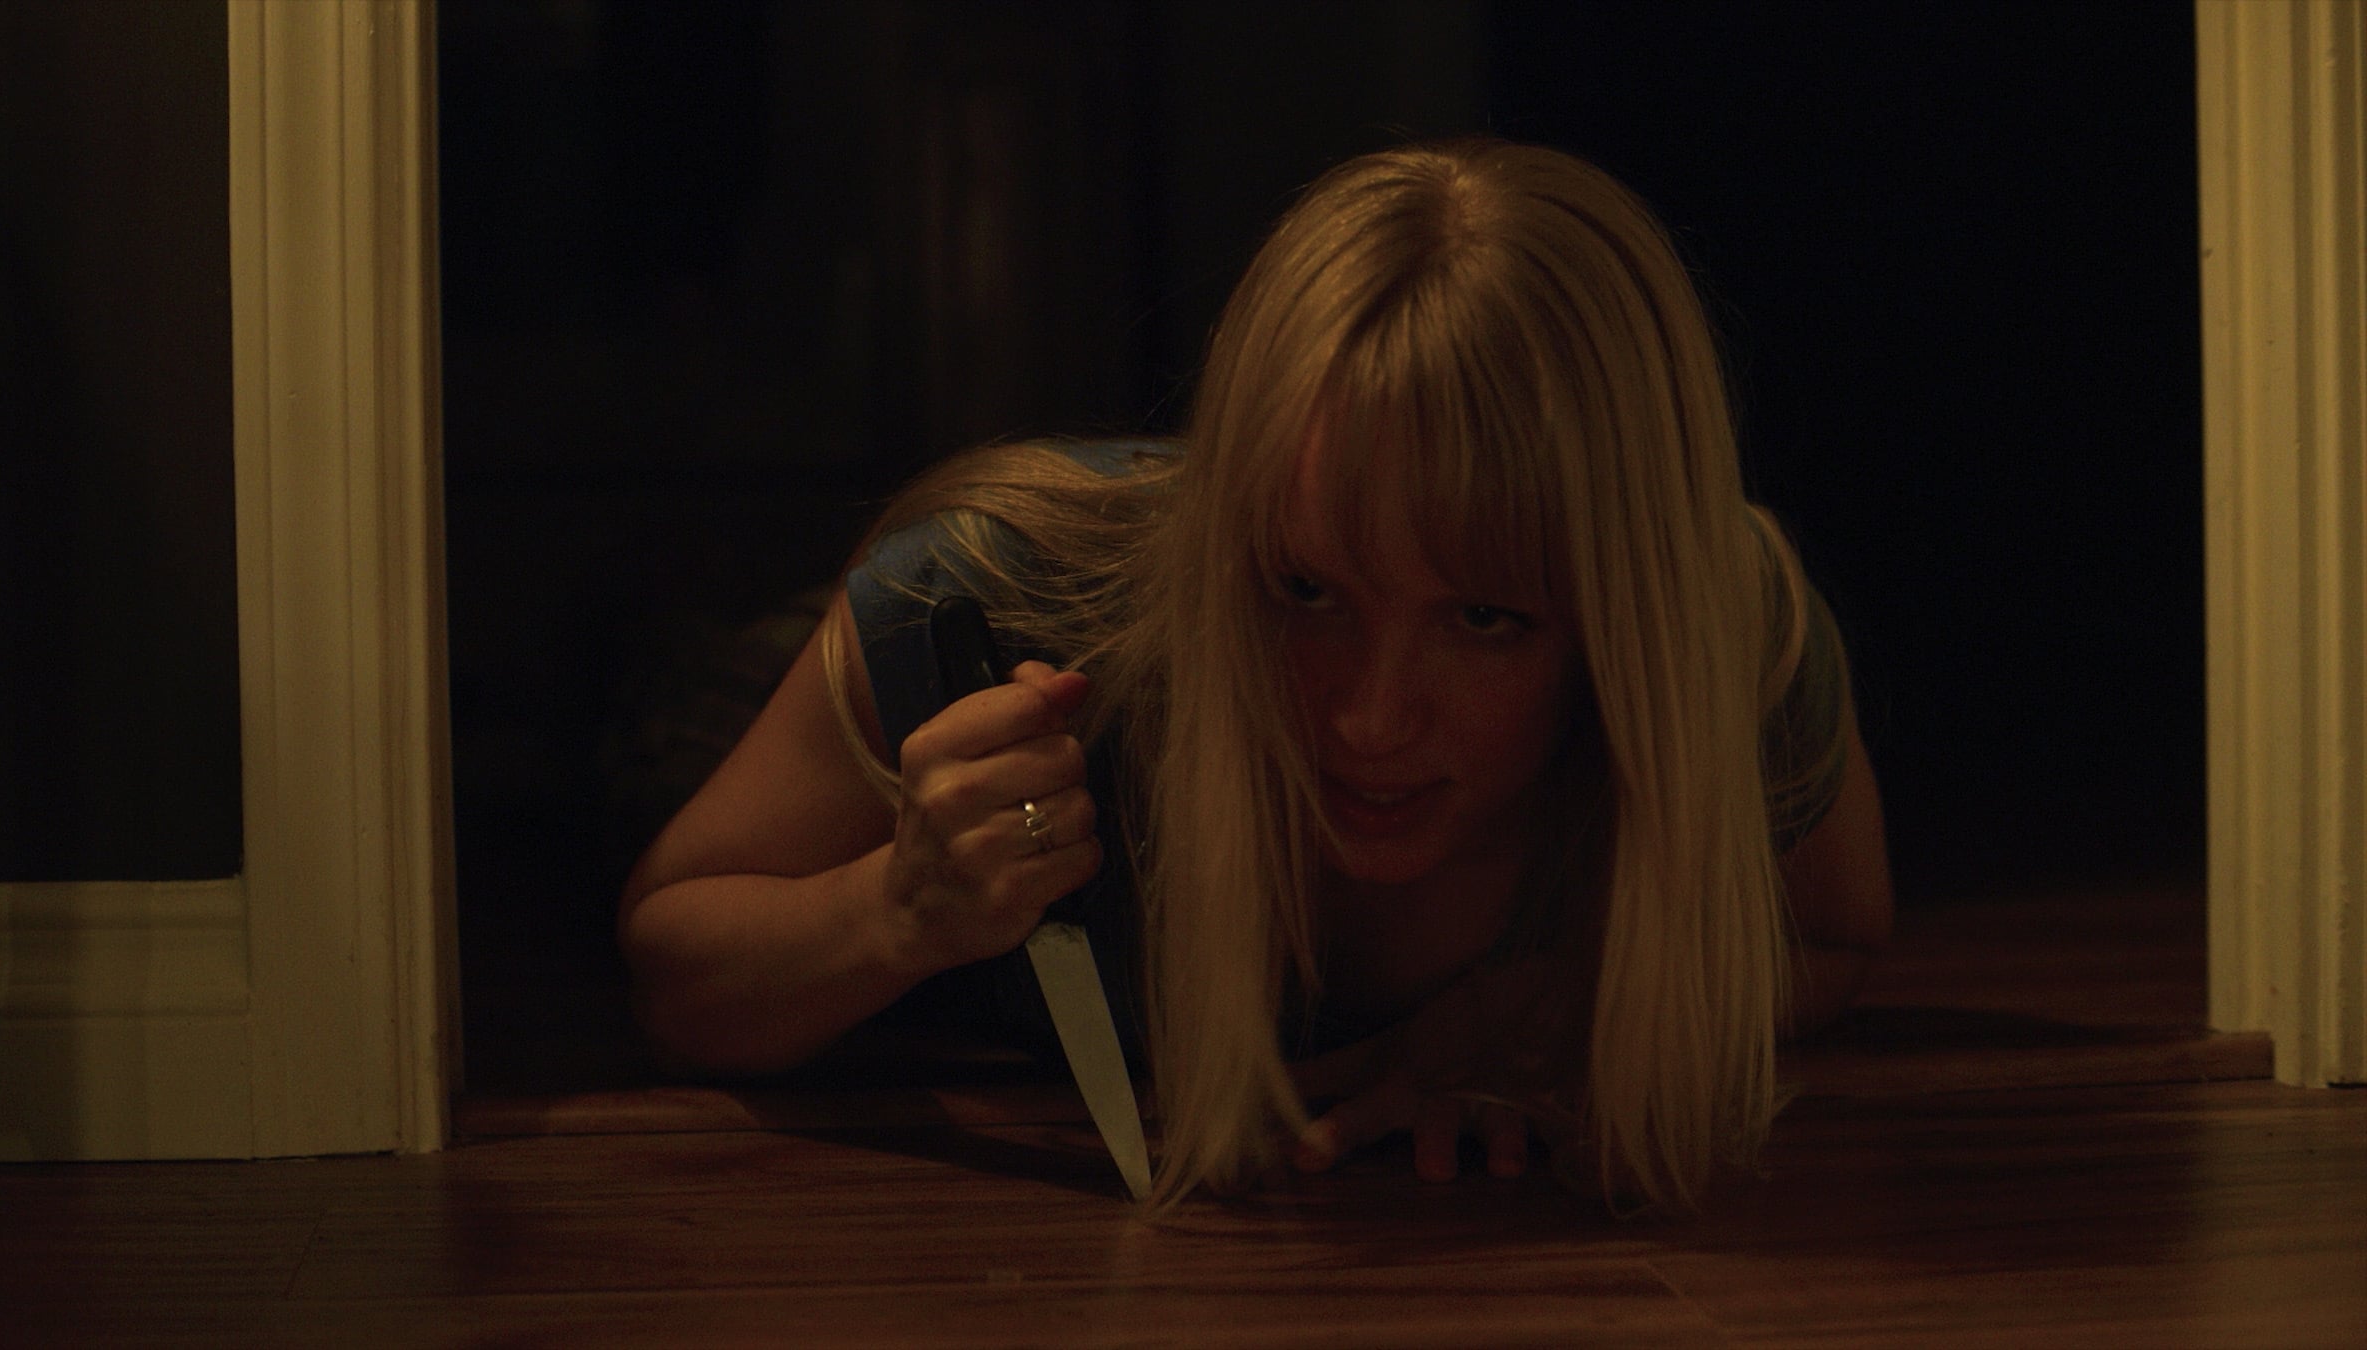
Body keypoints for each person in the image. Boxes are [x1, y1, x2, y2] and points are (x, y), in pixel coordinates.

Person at [618, 138, 1894, 1214]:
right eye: (1304, 588)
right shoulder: (983, 601)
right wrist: (893, 911)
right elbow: (677, 976)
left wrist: (1541, 1012)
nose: (1370, 716)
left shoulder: (1727, 637)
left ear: (1631, 618)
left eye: (1486, 618)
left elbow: (1832, 936)